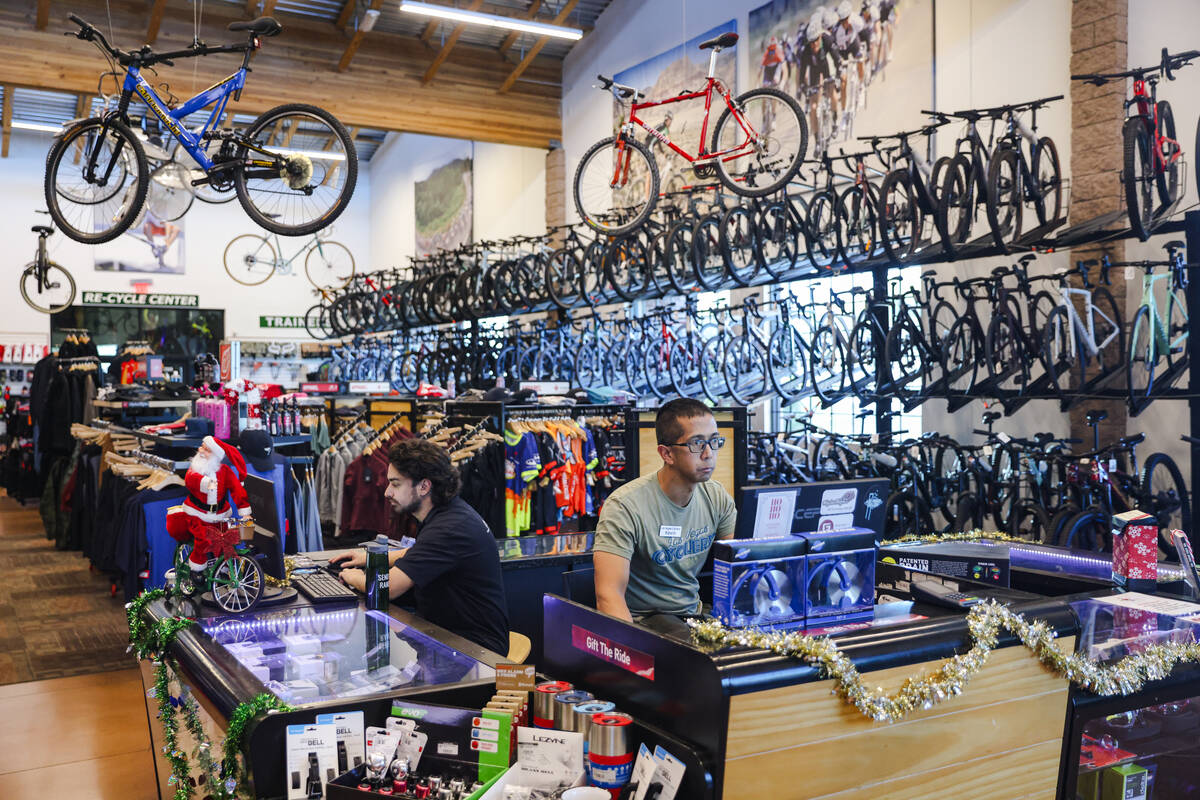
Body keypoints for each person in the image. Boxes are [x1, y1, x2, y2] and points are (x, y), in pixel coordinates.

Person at [333, 438, 510, 655]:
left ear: (424, 486)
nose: (388, 492)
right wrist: (369, 558)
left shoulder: (448, 528)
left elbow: (386, 588)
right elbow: (420, 553)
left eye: (396, 484)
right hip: (448, 636)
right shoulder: (450, 514)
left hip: (472, 650)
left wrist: (351, 577)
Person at [592, 398, 736, 640]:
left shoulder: (717, 497)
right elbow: (609, 595)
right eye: (697, 443)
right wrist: (631, 652)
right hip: (644, 622)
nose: (708, 453)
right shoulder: (625, 506)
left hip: (694, 617)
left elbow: (736, 569)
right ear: (666, 453)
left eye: (714, 441)